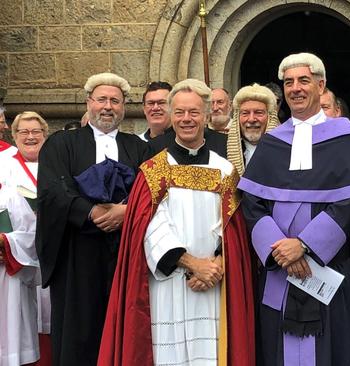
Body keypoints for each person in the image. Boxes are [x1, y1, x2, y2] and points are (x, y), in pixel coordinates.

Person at [98, 79, 255, 366]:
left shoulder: (225, 171)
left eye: (194, 112)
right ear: (171, 116)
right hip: (168, 284)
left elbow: (233, 230)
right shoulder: (154, 170)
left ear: (207, 115)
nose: (186, 119)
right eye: (180, 112)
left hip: (212, 284)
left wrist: (216, 265)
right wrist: (191, 263)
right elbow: (149, 228)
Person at [238, 52, 350, 366]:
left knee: (334, 347)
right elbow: (252, 203)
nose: (296, 88)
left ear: (320, 84)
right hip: (278, 269)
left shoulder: (347, 138)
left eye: (303, 80)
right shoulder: (272, 141)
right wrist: (279, 251)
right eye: (288, 82)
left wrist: (304, 246)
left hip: (327, 269)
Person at [35, 72, 149, 366]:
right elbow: (53, 188)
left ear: (124, 106)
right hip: (76, 251)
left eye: (115, 100)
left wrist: (127, 211)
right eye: (101, 100)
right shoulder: (62, 143)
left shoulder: (139, 147)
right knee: (78, 329)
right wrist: (90, 211)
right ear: (89, 103)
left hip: (125, 250)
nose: (108, 106)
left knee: (123, 322)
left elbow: (152, 189)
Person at [0, 111, 51, 366]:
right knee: (15, 319)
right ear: (14, 135)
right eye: (24, 132)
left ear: (45, 134)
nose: (30, 137)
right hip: (13, 254)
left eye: (36, 132)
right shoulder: (4, 163)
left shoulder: (56, 162)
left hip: (51, 252)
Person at [226, 83, 280, 176]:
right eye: (245, 113)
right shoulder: (219, 151)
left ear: (270, 117)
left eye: (258, 113)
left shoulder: (285, 150)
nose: (251, 119)